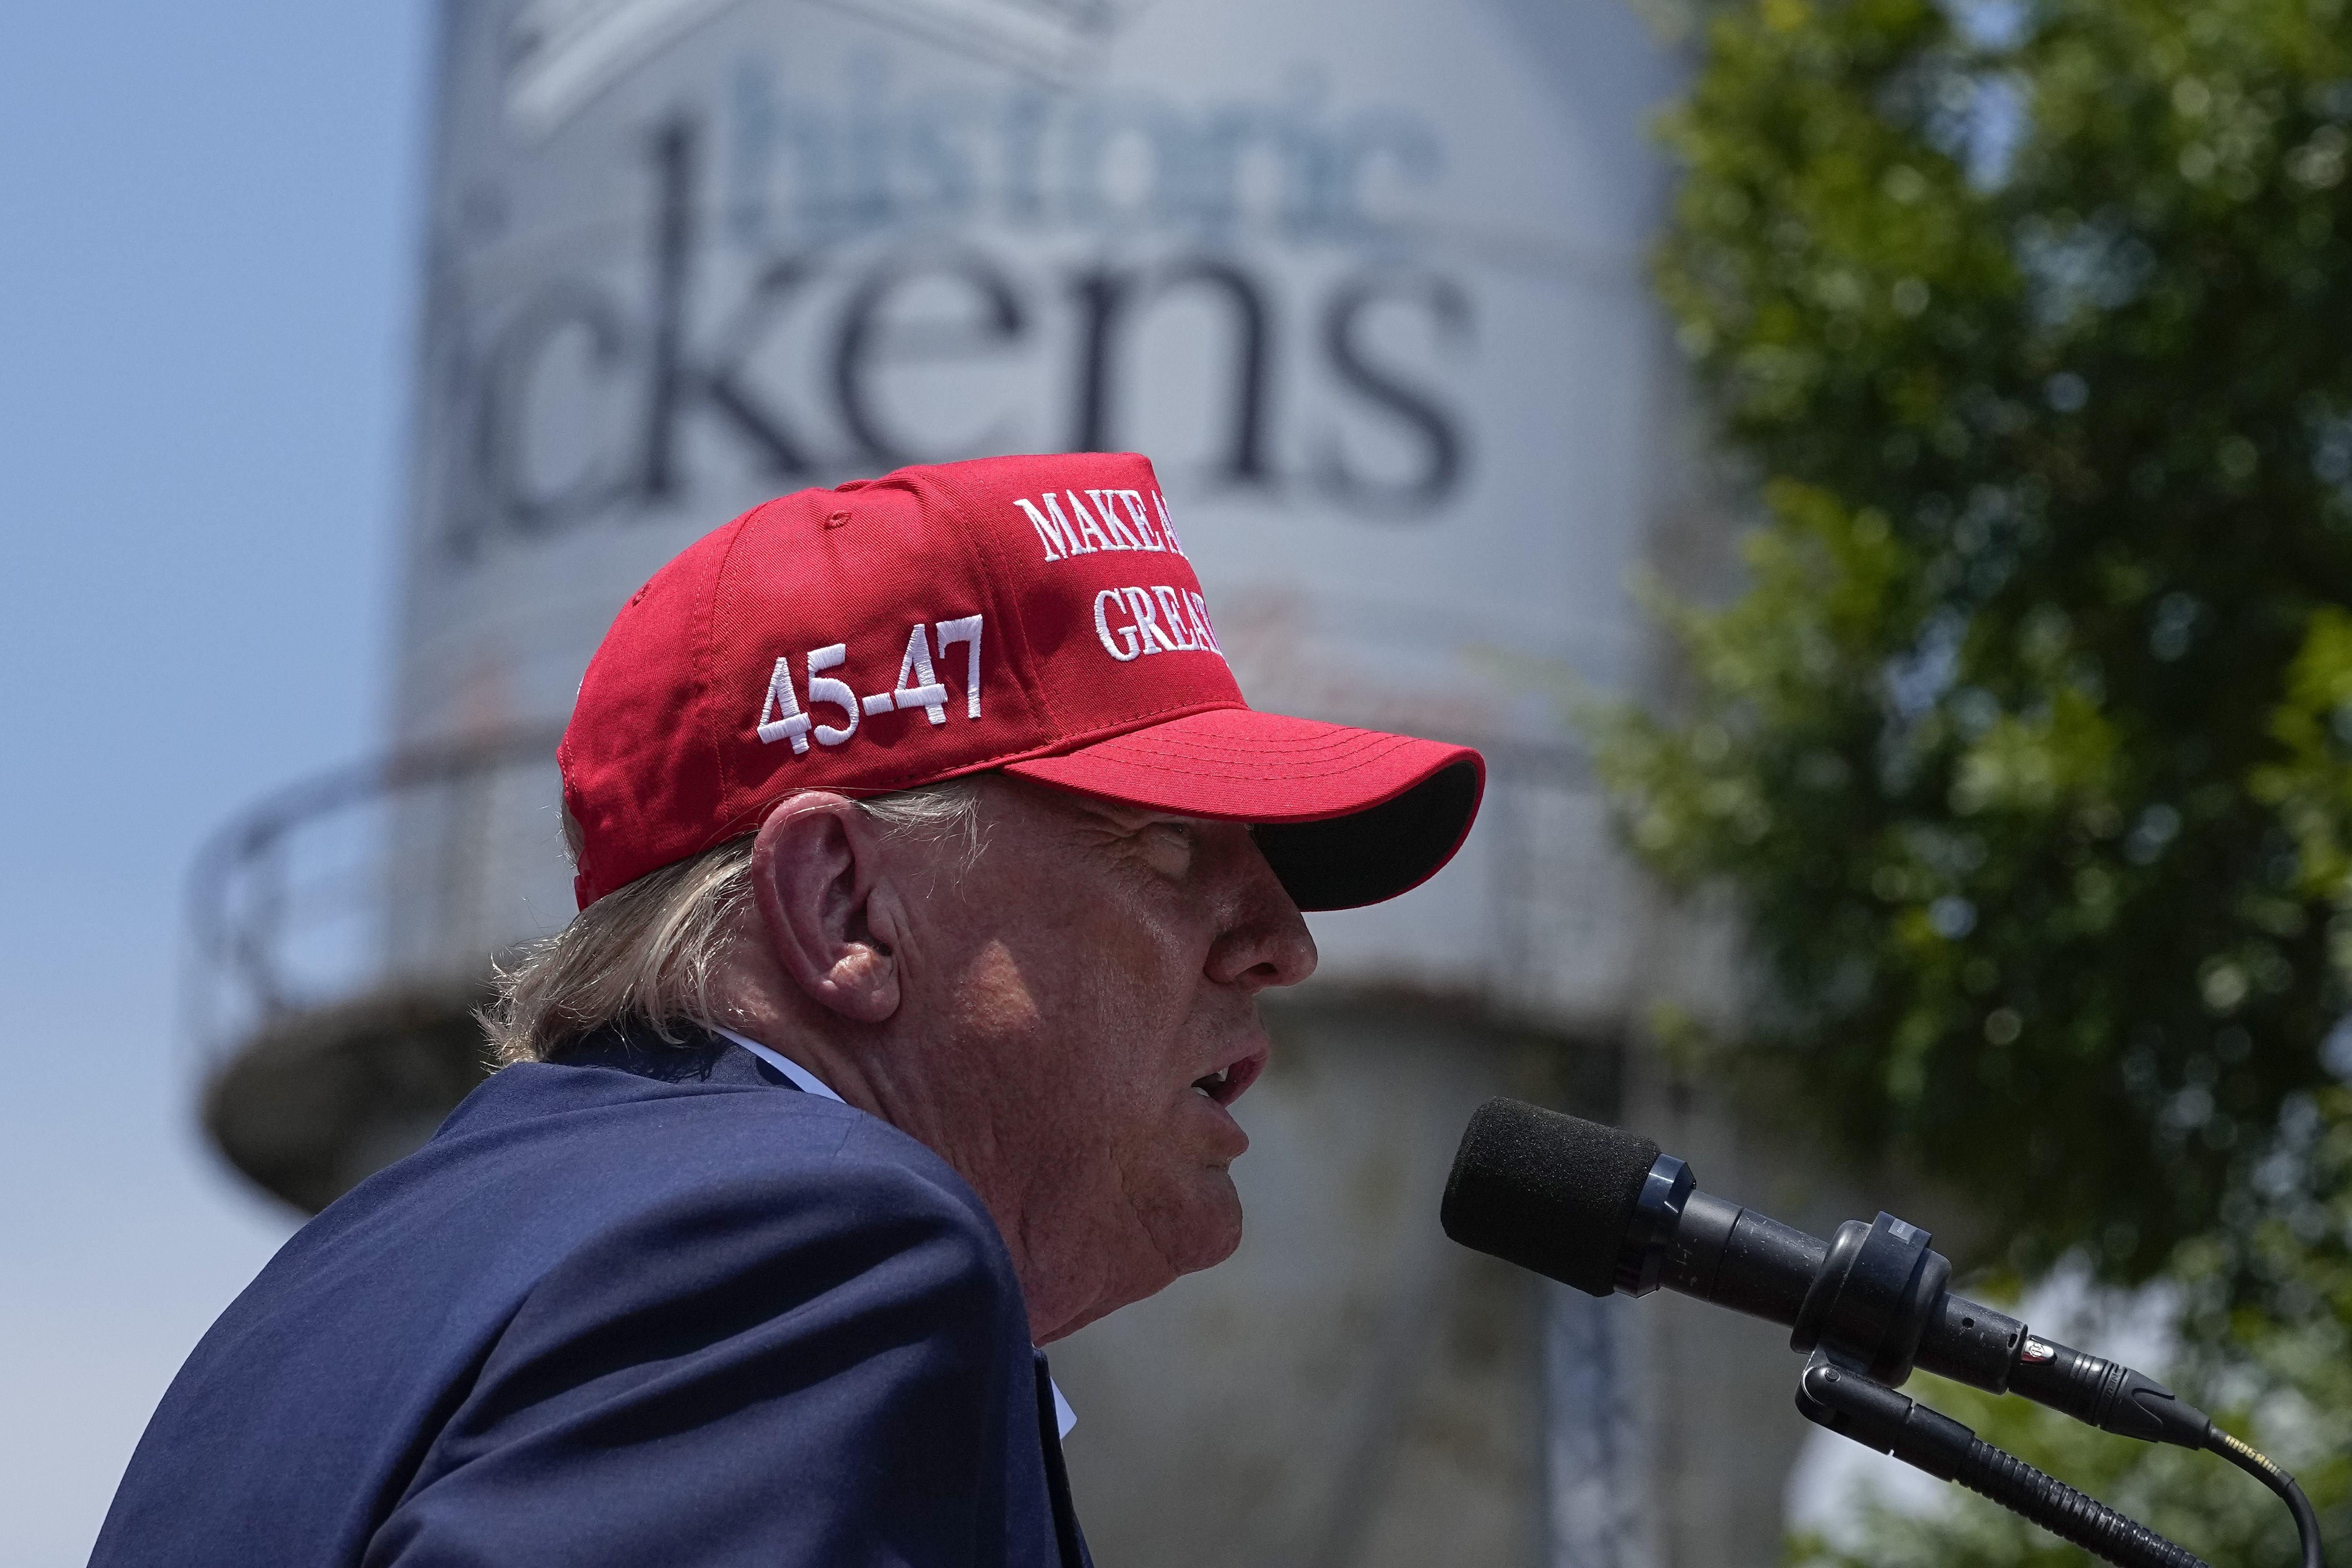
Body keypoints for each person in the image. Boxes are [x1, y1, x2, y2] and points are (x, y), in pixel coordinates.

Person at [92, 451, 1483, 1566]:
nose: (1283, 945)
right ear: (844, 909)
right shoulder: (822, 1252)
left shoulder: (326, 1302)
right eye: (1168, 850)